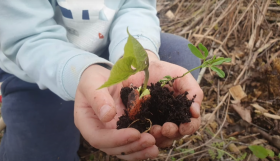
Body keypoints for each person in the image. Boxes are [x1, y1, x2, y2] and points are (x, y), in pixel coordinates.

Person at [0, 0, 203, 161]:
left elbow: (135, 6)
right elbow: (28, 38)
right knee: (38, 154)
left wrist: (141, 56)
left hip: (107, 46)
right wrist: (82, 71)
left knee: (181, 57)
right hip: (33, 69)